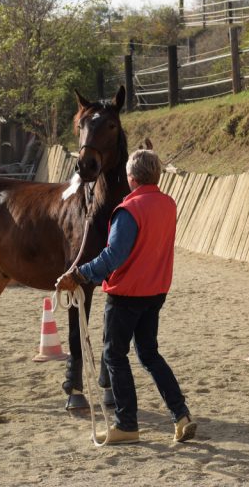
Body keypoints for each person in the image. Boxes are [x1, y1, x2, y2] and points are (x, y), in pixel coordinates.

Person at [56, 149, 196, 445]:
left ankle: (126, 423)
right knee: (149, 354)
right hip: (156, 291)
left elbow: (113, 256)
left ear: (131, 178)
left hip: (127, 294)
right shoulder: (167, 204)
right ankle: (180, 414)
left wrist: (79, 274)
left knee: (114, 356)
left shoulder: (129, 210)